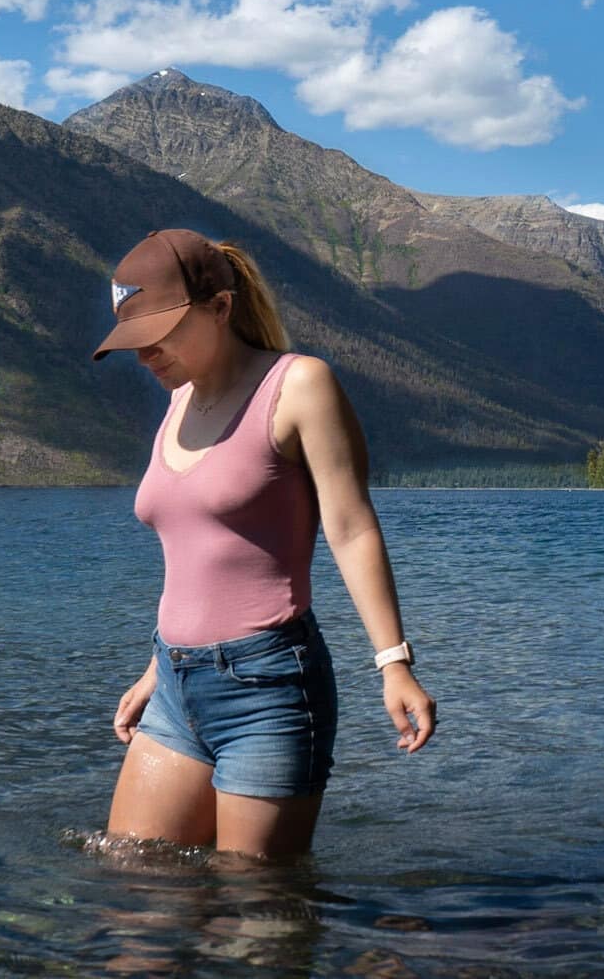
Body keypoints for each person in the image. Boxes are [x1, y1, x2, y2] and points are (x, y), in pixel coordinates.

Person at [92, 227, 436, 860]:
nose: (144, 357)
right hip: (174, 683)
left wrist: (394, 663)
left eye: (157, 336)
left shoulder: (299, 385)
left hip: (269, 688)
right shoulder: (178, 402)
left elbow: (352, 526)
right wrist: (156, 669)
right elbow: (199, 554)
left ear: (219, 308)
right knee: (135, 896)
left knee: (257, 926)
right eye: (131, 342)